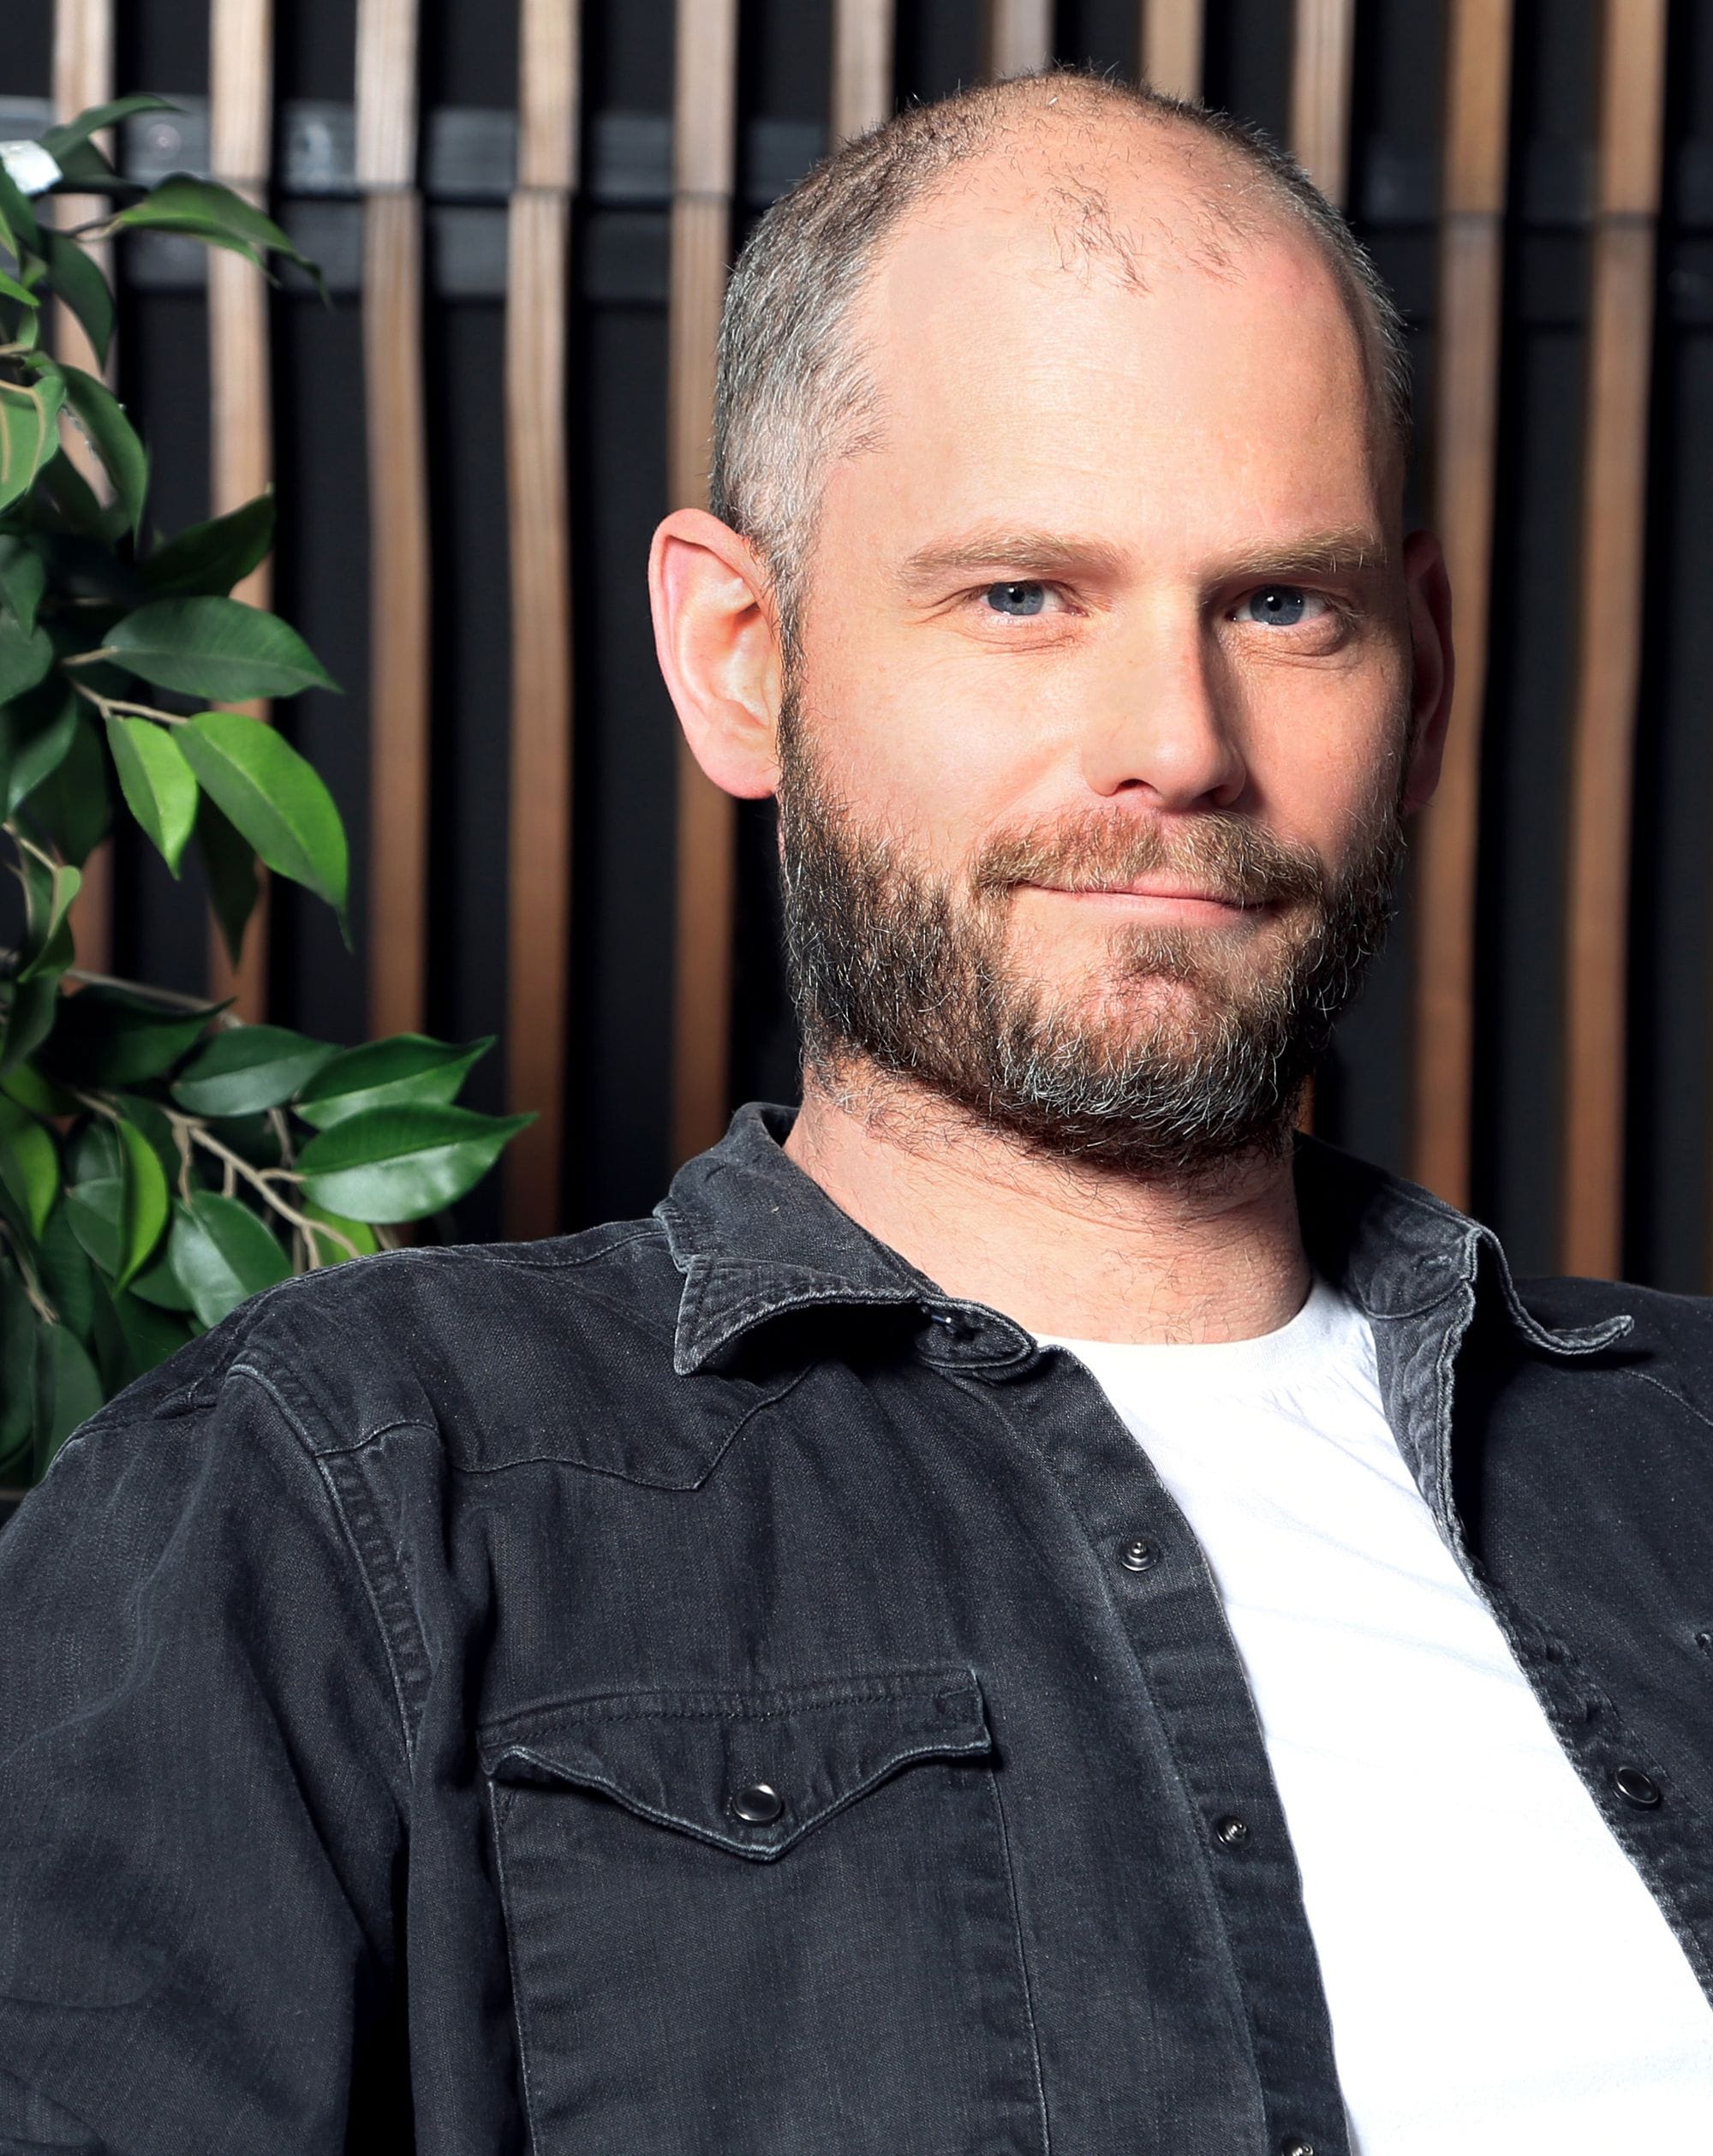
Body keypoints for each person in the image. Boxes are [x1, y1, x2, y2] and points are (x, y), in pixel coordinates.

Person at [3, 68, 1711, 2156]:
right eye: (1022, 595)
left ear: (1417, 679)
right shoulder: (342, 1489)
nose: (1175, 741)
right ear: (740, 654)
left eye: (1282, 603)